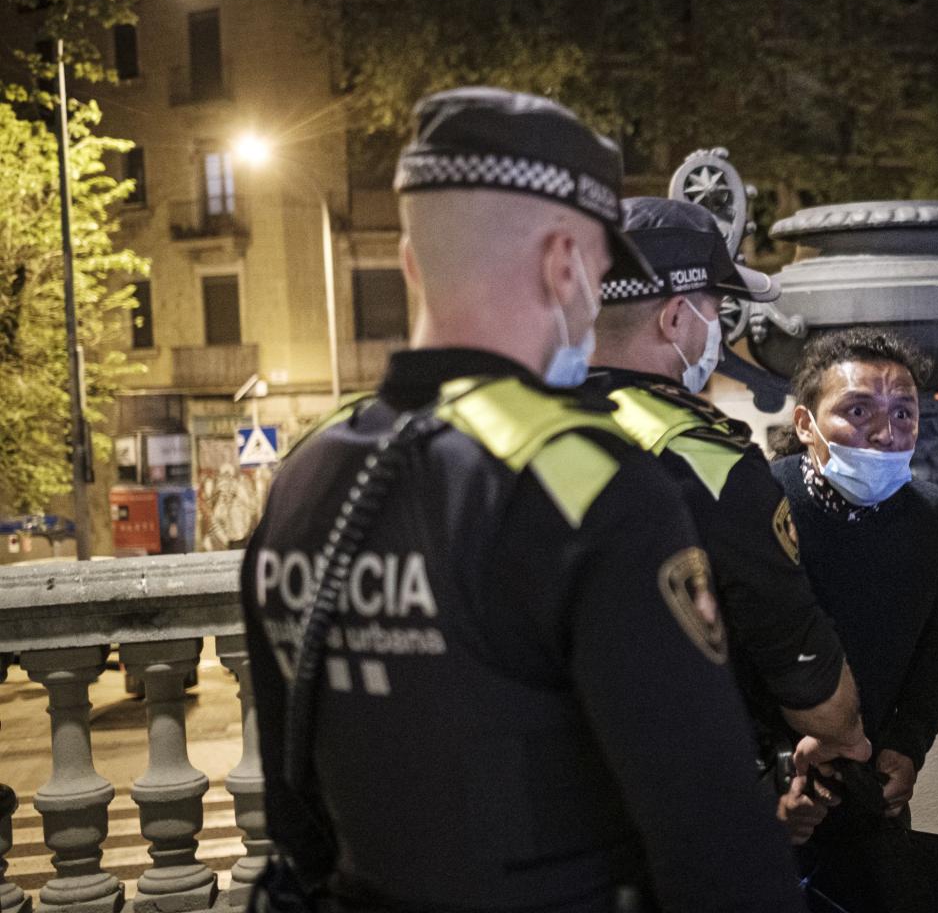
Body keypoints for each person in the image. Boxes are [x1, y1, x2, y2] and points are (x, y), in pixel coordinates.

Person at [240, 87, 802, 913]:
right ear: (563, 263)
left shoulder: (307, 475)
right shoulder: (591, 484)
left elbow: (296, 815)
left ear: (409, 263)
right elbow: (714, 841)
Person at [585, 196, 870, 824]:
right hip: (683, 806)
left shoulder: (519, 435)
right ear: (675, 318)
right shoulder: (707, 459)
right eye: (716, 307)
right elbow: (803, 674)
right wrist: (846, 732)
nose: (721, 325)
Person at [770, 329, 938, 911]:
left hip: (874, 790)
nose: (885, 433)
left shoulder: (932, 517)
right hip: (777, 797)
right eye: (858, 411)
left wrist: (908, 749)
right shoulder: (760, 502)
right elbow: (729, 656)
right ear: (806, 424)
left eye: (903, 412)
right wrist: (772, 779)